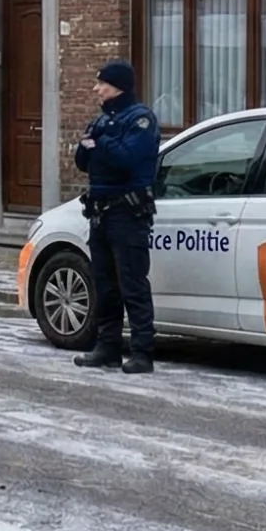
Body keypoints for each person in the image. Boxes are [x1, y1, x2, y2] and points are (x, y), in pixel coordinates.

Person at [75, 59, 160, 375]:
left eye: (102, 84)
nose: (96, 89)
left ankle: (142, 352)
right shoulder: (102, 121)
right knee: (105, 285)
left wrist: (100, 142)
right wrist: (90, 144)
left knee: (133, 284)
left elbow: (128, 159)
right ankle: (107, 347)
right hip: (100, 212)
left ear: (118, 87)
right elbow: (83, 161)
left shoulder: (140, 119)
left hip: (127, 213)